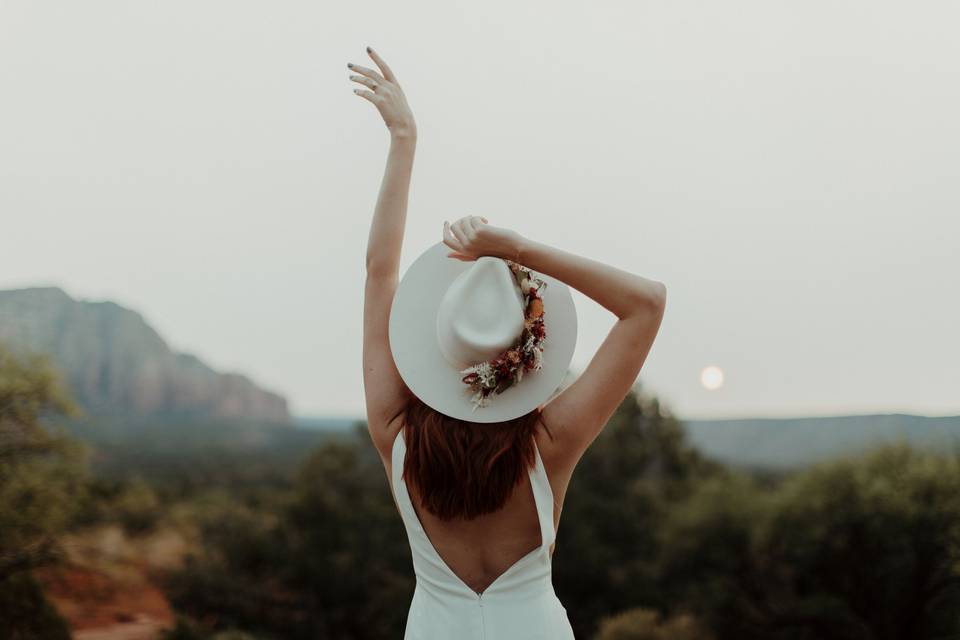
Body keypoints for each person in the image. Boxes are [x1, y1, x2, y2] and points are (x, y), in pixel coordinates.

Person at [352, 46, 667, 640]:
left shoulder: (394, 434)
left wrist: (403, 140)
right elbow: (645, 303)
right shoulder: (550, 445)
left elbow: (379, 272)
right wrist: (519, 250)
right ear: (527, 352)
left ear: (434, 346)